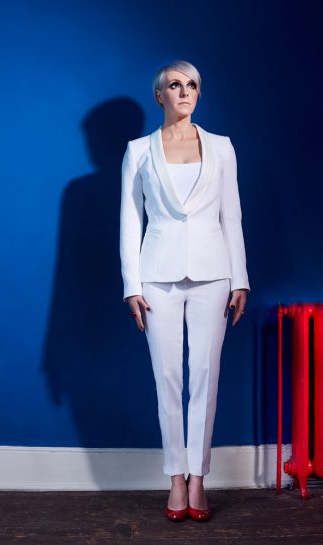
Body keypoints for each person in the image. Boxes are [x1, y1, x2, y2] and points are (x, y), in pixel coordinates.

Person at [120, 60, 249, 522]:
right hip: (157, 277)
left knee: (205, 378)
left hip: (214, 276)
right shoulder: (138, 150)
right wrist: (131, 285)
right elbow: (130, 219)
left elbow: (231, 215)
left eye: (192, 84)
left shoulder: (222, 147)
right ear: (160, 96)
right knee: (169, 379)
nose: (184, 91)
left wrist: (240, 278)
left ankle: (198, 477)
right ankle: (176, 476)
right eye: (175, 85)